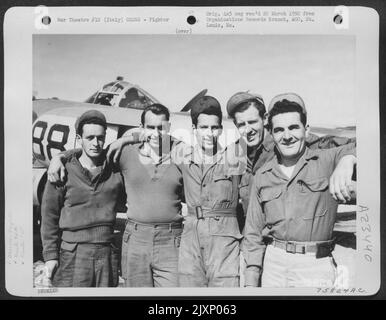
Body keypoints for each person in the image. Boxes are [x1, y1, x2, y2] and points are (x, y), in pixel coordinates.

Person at [47, 104, 184, 287]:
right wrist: (59, 157)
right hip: (125, 240)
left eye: (161, 128)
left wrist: (127, 138)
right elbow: (90, 152)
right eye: (150, 127)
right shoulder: (122, 154)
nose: (156, 133)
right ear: (141, 127)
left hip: (161, 240)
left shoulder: (180, 152)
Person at [242, 93, 356, 287]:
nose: (287, 136)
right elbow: (253, 233)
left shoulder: (327, 160)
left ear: (306, 129)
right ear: (272, 134)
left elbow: (370, 144)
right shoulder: (263, 175)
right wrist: (251, 282)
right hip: (273, 266)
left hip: (314, 267)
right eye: (279, 130)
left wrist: (347, 160)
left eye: (293, 127)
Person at [226, 92, 356, 231]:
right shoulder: (236, 152)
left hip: (282, 238)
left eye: (252, 122)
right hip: (253, 238)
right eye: (241, 124)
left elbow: (358, 145)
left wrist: (347, 159)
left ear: (264, 119)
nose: (248, 130)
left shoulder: (287, 140)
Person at [40, 110, 125, 287]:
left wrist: (125, 139)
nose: (96, 143)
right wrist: (50, 256)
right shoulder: (62, 171)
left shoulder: (115, 169)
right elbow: (49, 217)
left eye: (100, 138)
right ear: (79, 138)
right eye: (90, 137)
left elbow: (151, 140)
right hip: (72, 252)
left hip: (106, 252)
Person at [174, 96, 244, 287]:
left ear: (221, 129)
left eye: (214, 128)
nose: (209, 133)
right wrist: (127, 139)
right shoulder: (182, 155)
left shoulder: (235, 157)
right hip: (191, 239)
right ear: (194, 129)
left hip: (224, 242)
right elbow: (155, 138)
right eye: (203, 127)